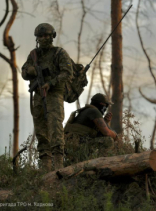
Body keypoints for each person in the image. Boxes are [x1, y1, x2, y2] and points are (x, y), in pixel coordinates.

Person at [21, 23, 73, 171]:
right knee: (41, 131)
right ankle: (45, 167)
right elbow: (24, 72)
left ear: (52, 37)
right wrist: (32, 71)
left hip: (54, 94)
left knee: (55, 129)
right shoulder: (34, 55)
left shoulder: (59, 53)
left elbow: (67, 72)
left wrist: (51, 82)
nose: (43, 39)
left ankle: (58, 166)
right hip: (38, 96)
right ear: (37, 38)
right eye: (41, 36)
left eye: (46, 36)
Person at [64, 93, 118, 163]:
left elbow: (92, 132)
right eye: (106, 106)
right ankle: (101, 164)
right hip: (77, 146)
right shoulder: (94, 111)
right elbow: (106, 132)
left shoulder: (86, 110)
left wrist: (105, 122)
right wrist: (116, 136)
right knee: (108, 141)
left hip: (71, 146)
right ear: (102, 104)